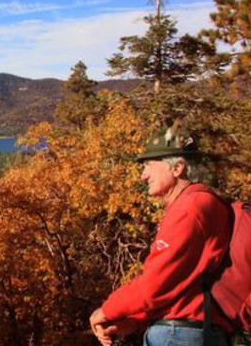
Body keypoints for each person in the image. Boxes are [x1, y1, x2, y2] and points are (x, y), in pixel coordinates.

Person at [89, 126, 232, 346]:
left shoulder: (189, 209)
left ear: (177, 168)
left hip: (180, 336)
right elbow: (179, 282)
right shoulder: (203, 203)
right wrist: (136, 321)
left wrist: (106, 310)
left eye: (148, 166)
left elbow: (153, 285)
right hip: (194, 331)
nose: (143, 175)